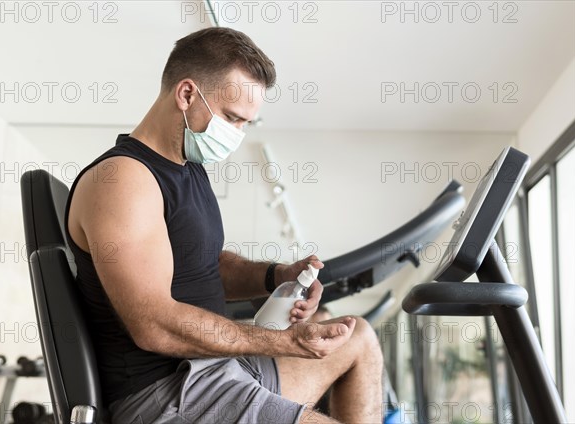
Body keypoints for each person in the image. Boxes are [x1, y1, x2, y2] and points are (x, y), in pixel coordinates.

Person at [65, 27, 383, 424]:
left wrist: (276, 276)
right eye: (232, 118)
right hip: (170, 393)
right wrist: (281, 341)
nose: (238, 134)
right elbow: (153, 325)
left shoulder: (189, 171)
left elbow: (206, 265)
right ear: (186, 94)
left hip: (217, 368)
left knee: (358, 338)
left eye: (247, 123)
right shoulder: (123, 180)